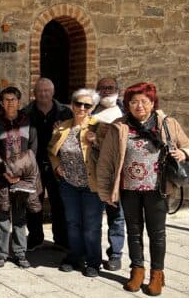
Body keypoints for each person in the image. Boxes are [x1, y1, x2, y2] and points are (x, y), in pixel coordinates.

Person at [97, 82, 189, 296]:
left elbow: (188, 145)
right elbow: (105, 162)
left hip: (157, 189)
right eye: (134, 102)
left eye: (144, 101)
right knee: (133, 232)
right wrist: (106, 192)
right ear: (127, 104)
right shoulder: (119, 126)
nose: (139, 106)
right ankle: (137, 271)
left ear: (152, 102)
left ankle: (157, 274)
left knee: (157, 233)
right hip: (129, 189)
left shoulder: (166, 123)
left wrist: (184, 154)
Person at [48, 89, 104, 277]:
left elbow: (111, 152)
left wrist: (96, 141)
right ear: (71, 105)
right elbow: (51, 151)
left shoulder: (100, 126)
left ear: (93, 107)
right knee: (72, 223)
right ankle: (74, 256)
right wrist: (57, 167)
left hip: (91, 185)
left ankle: (94, 261)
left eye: (86, 105)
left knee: (91, 225)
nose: (81, 108)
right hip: (69, 184)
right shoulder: (62, 127)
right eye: (78, 103)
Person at [0, 86, 38, 269]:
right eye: (6, 99)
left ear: (19, 101)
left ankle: (19, 253)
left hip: (22, 176)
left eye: (13, 99)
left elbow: (33, 148)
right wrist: (4, 168)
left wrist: (20, 172)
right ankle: (1, 253)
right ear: (1, 102)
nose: (10, 103)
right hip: (1, 174)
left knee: (19, 215)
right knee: (2, 214)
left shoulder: (27, 122)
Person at [23, 78, 72, 251]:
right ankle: (35, 237)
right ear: (34, 93)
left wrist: (61, 133)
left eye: (46, 91)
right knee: (33, 202)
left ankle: (61, 238)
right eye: (40, 91)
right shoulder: (26, 113)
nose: (43, 94)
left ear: (52, 93)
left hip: (57, 164)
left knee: (59, 202)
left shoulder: (65, 113)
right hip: (34, 164)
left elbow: (73, 137)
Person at [92, 77, 125, 271]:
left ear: (117, 90)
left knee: (116, 215)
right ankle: (92, 253)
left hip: (115, 173)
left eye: (110, 87)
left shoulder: (125, 112)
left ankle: (115, 254)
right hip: (94, 172)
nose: (106, 91)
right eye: (102, 88)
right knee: (93, 216)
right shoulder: (90, 110)